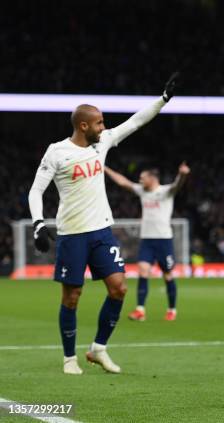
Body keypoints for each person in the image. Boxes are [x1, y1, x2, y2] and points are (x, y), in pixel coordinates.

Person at [27, 73, 178, 375]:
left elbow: (135, 122)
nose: (104, 127)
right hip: (71, 234)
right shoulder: (57, 152)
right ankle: (70, 358)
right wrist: (38, 224)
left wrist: (163, 99)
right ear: (83, 125)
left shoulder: (104, 142)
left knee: (119, 288)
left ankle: (98, 348)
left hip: (101, 231)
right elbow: (36, 190)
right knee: (72, 296)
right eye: (98, 123)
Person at [104, 162, 190, 321]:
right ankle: (140, 310)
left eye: (143, 178)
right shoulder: (142, 191)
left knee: (167, 275)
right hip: (147, 240)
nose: (140, 180)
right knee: (143, 271)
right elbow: (123, 182)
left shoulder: (165, 192)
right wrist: (105, 167)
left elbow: (178, 185)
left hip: (164, 240)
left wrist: (183, 174)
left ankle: (172, 310)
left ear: (152, 178)